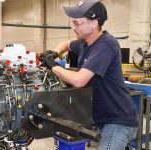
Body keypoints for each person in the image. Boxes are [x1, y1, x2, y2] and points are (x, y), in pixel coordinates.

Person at [40, 0, 138, 149]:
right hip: (102, 118)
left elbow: (79, 81)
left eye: (77, 23)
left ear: (94, 24)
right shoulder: (84, 42)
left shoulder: (105, 45)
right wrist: (55, 53)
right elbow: (66, 44)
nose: (73, 27)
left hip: (119, 121)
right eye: (72, 23)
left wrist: (52, 65)